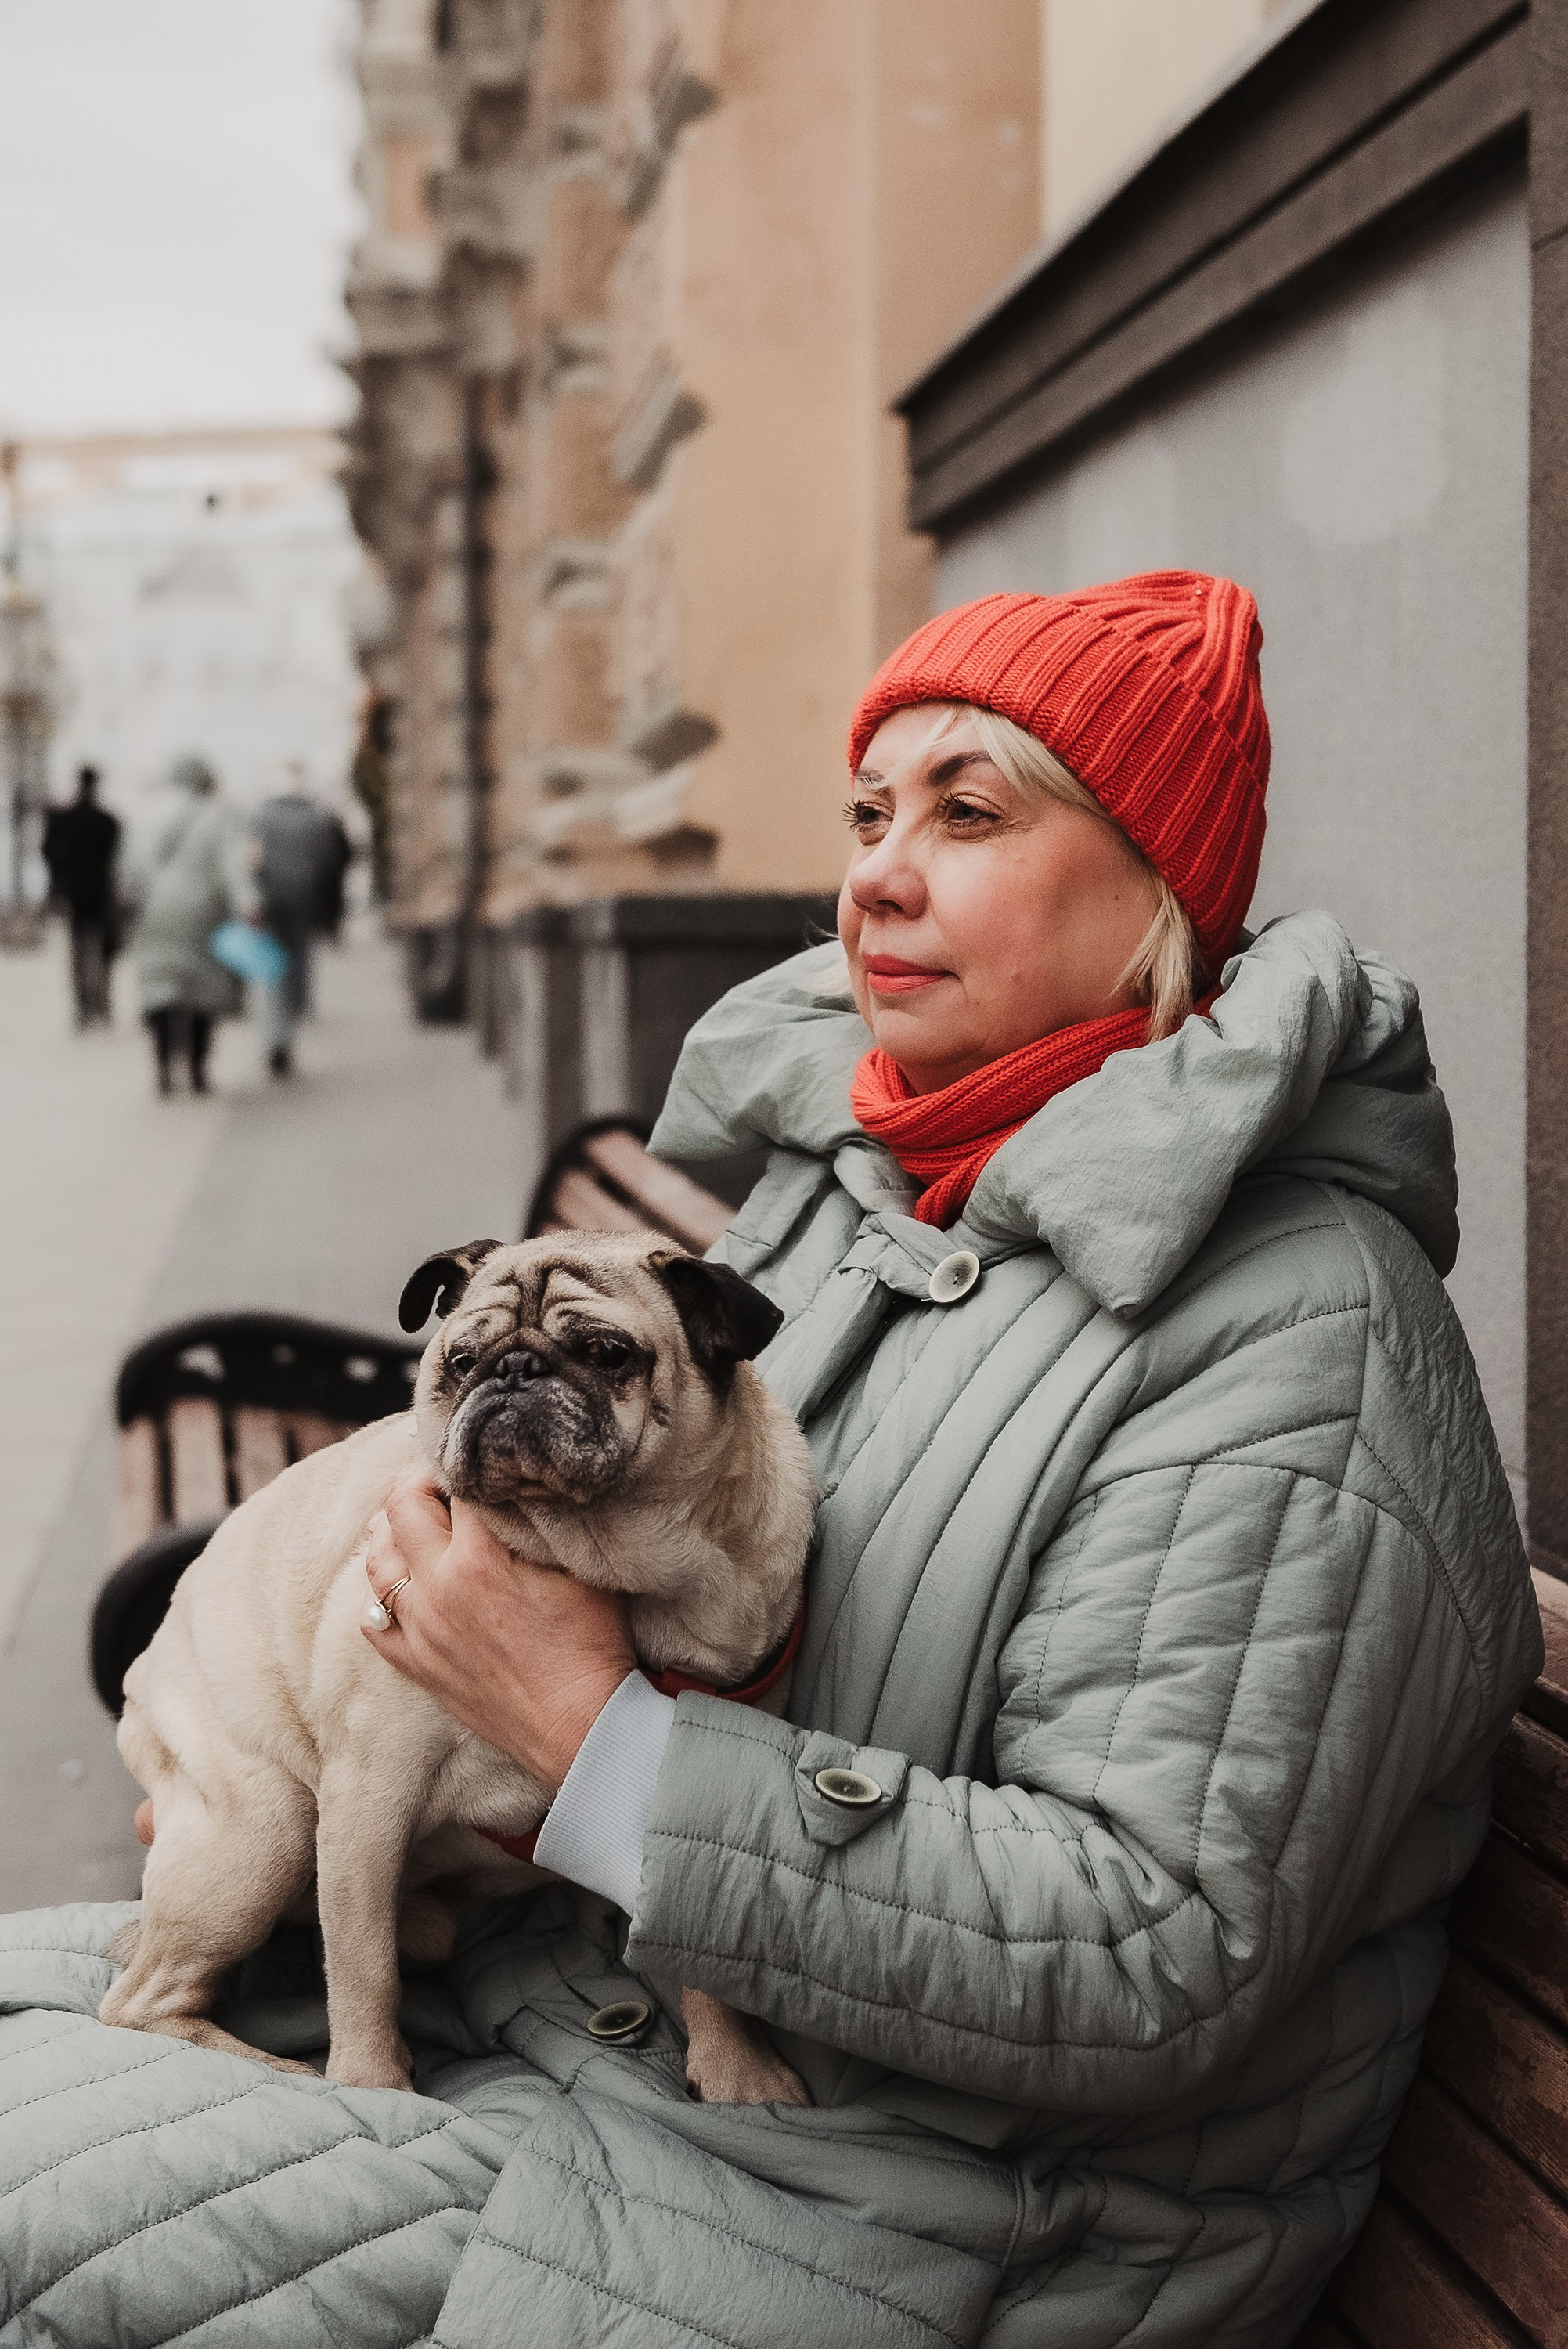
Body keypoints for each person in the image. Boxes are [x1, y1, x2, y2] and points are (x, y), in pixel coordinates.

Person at [0, 576, 1541, 2349]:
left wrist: (594, 1743)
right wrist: (352, 1750)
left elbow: (1147, 1953)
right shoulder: (865, 1180)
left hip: (947, 2203)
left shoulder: (1295, 1344)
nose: (879, 872)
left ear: (1163, 889)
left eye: (970, 811)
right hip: (611, 2016)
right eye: (869, 814)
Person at [124, 752, 251, 1095]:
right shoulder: (219, 814)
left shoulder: (147, 813)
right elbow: (232, 866)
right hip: (203, 912)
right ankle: (197, 1068)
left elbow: (128, 871)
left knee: (161, 988)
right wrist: (247, 903)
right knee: (202, 990)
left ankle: (164, 1064)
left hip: (154, 914)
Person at [253, 782, 354, 1076]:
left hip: (270, 901)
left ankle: (275, 1034)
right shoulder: (315, 818)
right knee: (300, 957)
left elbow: (250, 857)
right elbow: (330, 861)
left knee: (272, 970)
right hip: (304, 899)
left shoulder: (262, 816)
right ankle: (298, 1006)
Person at [41, 763, 121, 1025]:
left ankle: (82, 1007)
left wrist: (60, 878)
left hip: (74, 893)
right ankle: (101, 1003)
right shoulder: (107, 821)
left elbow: (48, 851)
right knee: (103, 950)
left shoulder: (63, 819)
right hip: (101, 892)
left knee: (77, 950)